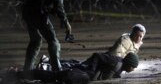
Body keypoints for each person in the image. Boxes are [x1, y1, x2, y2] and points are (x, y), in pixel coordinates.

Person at [22, 0, 72, 71]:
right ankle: (57, 69)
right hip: (39, 15)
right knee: (53, 41)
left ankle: (27, 69)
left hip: (27, 13)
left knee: (35, 41)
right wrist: (66, 23)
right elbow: (60, 8)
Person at [2, 52, 139, 84]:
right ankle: (18, 74)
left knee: (54, 78)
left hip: (84, 76)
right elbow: (97, 56)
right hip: (82, 72)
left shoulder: (119, 69)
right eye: (134, 67)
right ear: (130, 64)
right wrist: (91, 69)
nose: (133, 69)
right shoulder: (115, 61)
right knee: (54, 76)